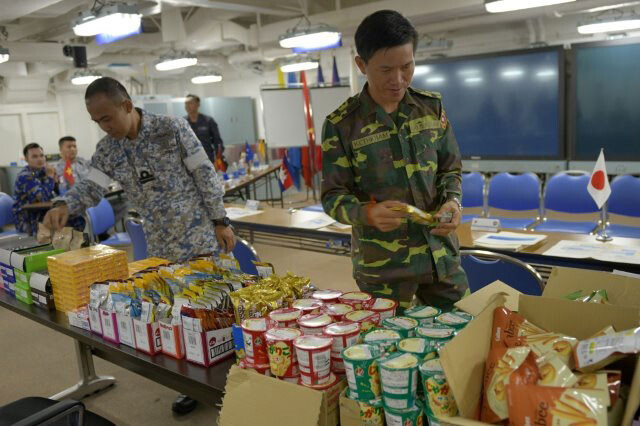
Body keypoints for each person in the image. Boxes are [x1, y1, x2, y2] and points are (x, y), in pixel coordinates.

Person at [43, 77, 236, 415]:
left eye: (107, 118)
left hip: (197, 235)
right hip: (159, 245)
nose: (104, 127)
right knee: (176, 315)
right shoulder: (109, 150)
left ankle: (233, 381)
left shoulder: (170, 129)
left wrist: (221, 220)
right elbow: (91, 187)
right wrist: (65, 205)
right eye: (96, 122)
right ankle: (191, 385)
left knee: (215, 310)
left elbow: (204, 173)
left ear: (127, 106)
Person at [321, 10, 468, 313]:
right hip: (383, 269)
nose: (398, 80)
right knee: (388, 353)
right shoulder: (342, 125)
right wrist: (366, 213)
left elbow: (450, 168)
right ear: (361, 64)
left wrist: (453, 203)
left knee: (464, 338)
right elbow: (332, 196)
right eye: (386, 69)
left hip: (440, 259)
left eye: (407, 66)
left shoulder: (430, 108)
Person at [13, 143, 57, 235]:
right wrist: (50, 178)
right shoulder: (24, 176)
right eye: (34, 156)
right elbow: (43, 198)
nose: (40, 159)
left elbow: (55, 194)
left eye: (41, 155)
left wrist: (54, 179)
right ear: (26, 159)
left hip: (42, 214)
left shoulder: (43, 171)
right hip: (28, 220)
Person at [184, 94, 225, 166]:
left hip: (208, 159)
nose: (187, 106)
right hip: (190, 162)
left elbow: (217, 141)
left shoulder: (208, 121)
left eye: (190, 103)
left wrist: (218, 159)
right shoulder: (183, 123)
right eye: (186, 104)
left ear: (198, 105)